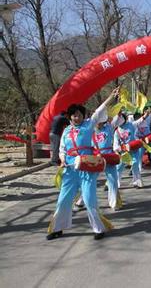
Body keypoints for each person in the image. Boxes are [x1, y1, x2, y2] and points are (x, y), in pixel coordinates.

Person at [46, 88, 119, 240]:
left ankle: (99, 229)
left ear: (83, 116)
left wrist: (110, 98)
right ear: (69, 117)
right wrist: (63, 159)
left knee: (89, 199)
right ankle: (57, 228)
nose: (76, 117)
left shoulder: (88, 125)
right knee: (63, 199)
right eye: (74, 115)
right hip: (70, 170)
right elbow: (62, 149)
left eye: (79, 115)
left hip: (87, 168)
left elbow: (99, 111)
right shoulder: (66, 131)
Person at [114, 110, 150, 188]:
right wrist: (119, 150)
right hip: (123, 151)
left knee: (135, 164)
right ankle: (116, 183)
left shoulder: (131, 125)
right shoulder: (117, 131)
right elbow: (116, 144)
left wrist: (145, 115)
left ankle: (137, 182)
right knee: (119, 167)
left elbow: (139, 121)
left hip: (134, 149)